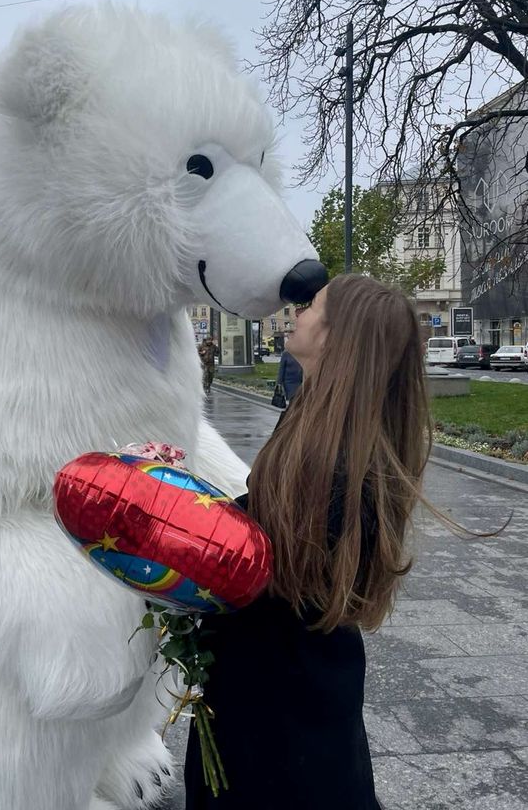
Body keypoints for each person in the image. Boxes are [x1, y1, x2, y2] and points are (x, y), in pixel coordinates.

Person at [185, 275, 432, 809]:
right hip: (294, 681)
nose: (298, 310)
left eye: (312, 304)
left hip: (278, 696)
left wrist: (180, 531)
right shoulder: (325, 425)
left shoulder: (336, 459)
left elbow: (259, 556)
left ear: (338, 334)